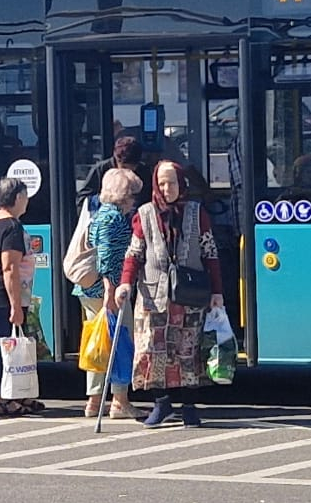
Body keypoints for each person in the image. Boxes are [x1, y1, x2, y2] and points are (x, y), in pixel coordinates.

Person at [114, 159, 225, 428]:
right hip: (154, 295)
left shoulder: (197, 213)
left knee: (188, 352)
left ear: (181, 183)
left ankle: (188, 407)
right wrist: (125, 283)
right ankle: (161, 403)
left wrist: (217, 292)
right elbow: (134, 254)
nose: (166, 188)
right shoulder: (145, 214)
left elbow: (210, 254)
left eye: (171, 182)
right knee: (153, 351)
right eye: (162, 183)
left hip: (190, 296)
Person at [0, 174, 46, 418]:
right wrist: (15, 305)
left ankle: (17, 395)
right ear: (17, 198)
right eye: (25, 197)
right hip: (5, 296)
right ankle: (5, 398)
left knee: (8, 344)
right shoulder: (12, 227)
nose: (27, 202)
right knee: (8, 345)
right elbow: (10, 267)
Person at [78, 166, 142, 419]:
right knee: (119, 342)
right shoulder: (113, 218)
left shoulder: (99, 214)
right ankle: (119, 400)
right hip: (109, 291)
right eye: (132, 194)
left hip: (91, 289)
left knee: (98, 344)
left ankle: (94, 401)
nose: (134, 200)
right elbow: (106, 257)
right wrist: (111, 291)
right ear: (124, 195)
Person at [78, 133, 145, 204]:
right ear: (117, 160)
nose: (127, 173)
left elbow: (147, 198)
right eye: (124, 168)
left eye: (132, 170)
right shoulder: (100, 169)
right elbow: (83, 199)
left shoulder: (143, 171)